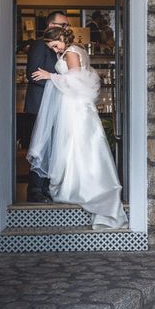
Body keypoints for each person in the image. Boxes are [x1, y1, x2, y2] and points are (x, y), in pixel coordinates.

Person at [27, 26, 128, 229]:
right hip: (71, 106)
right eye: (53, 48)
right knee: (71, 146)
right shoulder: (73, 50)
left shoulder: (72, 52)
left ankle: (82, 188)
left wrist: (50, 76)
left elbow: (76, 81)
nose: (55, 50)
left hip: (75, 108)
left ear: (61, 38)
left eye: (55, 45)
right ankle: (72, 184)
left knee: (77, 144)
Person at [24, 10, 68, 203]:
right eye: (62, 25)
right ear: (51, 26)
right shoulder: (39, 45)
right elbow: (33, 73)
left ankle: (46, 187)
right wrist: (56, 83)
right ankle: (34, 190)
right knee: (39, 147)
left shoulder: (61, 48)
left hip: (54, 105)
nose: (66, 28)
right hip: (40, 104)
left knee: (51, 147)